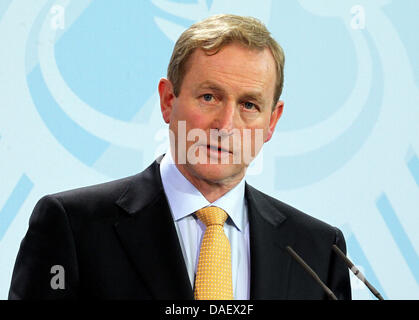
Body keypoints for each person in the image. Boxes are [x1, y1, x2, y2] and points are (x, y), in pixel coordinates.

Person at [9, 14, 351, 300]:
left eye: (249, 105)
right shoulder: (72, 226)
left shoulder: (319, 250)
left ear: (272, 122)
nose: (226, 125)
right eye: (209, 97)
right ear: (168, 101)